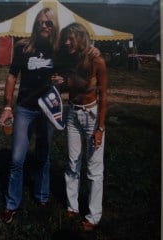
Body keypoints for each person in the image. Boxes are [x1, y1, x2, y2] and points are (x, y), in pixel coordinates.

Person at [0, 7, 60, 224]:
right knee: (16, 159)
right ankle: (11, 203)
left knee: (43, 155)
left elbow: (78, 66)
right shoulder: (23, 47)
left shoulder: (60, 50)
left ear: (54, 26)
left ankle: (42, 196)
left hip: (48, 112)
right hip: (25, 108)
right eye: (40, 22)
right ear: (35, 25)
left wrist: (94, 52)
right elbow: (11, 76)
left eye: (48, 23)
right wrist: (7, 106)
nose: (44, 26)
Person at [52, 22, 108, 231]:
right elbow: (71, 82)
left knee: (94, 168)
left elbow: (104, 97)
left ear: (81, 38)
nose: (67, 42)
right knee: (72, 162)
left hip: (92, 116)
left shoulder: (97, 60)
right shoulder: (68, 57)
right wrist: (60, 81)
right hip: (73, 114)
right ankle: (72, 206)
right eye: (65, 38)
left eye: (71, 38)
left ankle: (93, 216)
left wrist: (100, 128)